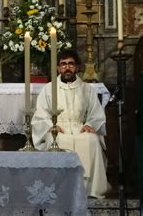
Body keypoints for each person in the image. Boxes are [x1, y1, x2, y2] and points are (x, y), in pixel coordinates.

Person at [31, 49, 109, 198]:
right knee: (56, 140)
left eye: (71, 64)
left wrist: (90, 124)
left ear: (77, 67)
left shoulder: (87, 89)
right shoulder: (48, 89)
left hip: (80, 129)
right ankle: (58, 189)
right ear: (58, 68)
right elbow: (40, 114)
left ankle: (90, 189)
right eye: (63, 64)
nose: (67, 68)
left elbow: (96, 113)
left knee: (91, 140)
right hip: (58, 129)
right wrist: (50, 126)